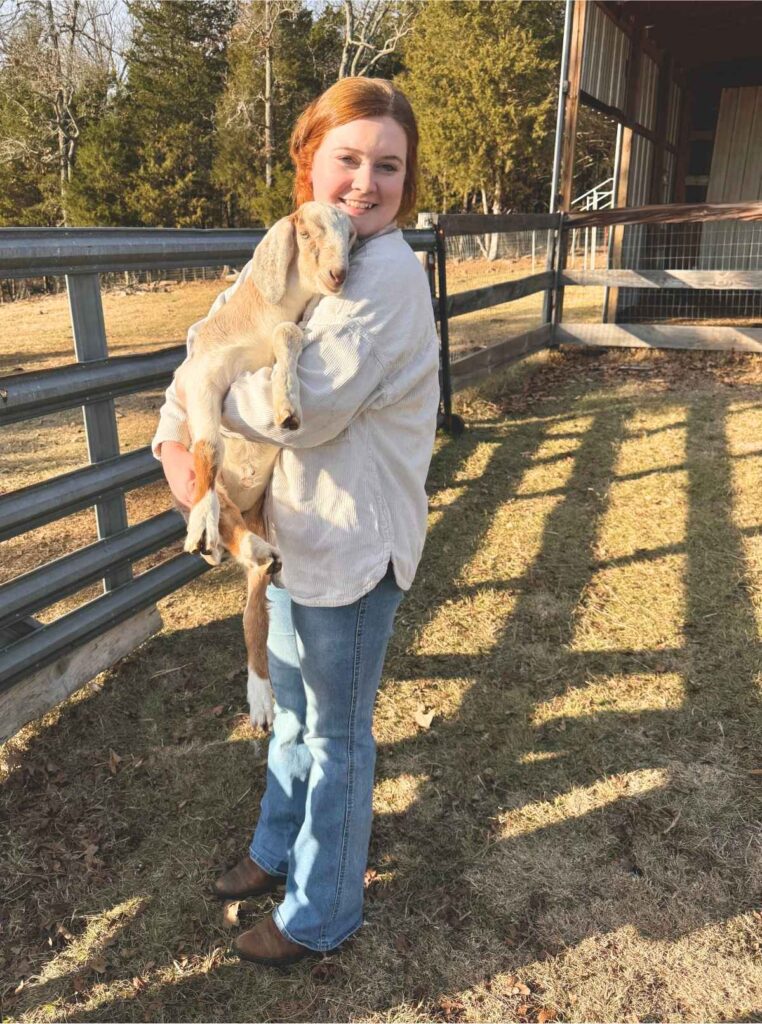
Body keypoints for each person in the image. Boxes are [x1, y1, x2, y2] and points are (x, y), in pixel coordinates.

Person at [152, 77, 440, 967]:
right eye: (347, 158)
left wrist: (199, 400)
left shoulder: (385, 273)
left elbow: (302, 409)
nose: (365, 181)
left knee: (338, 736)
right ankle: (277, 848)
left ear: (408, 179)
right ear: (309, 160)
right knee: (292, 718)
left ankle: (322, 911)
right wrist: (181, 416)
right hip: (293, 542)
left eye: (387, 165)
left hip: (351, 546)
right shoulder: (292, 245)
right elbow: (214, 330)